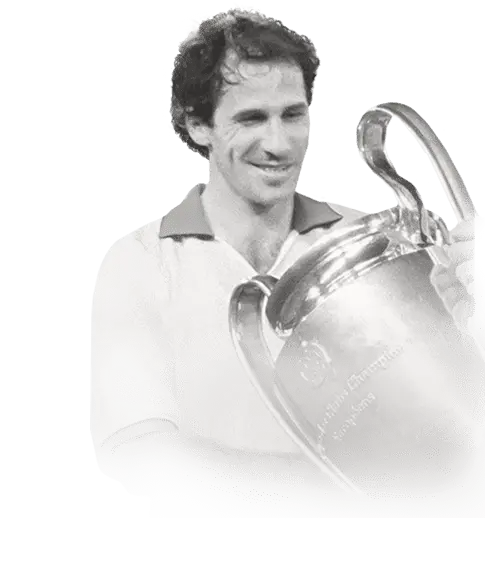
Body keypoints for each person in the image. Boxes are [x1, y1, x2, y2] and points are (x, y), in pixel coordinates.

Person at [90, 9, 481, 518]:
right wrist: (358, 491)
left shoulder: (370, 246)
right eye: (251, 118)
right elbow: (138, 460)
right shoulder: (140, 264)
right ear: (198, 125)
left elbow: (458, 420)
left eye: (293, 115)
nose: (278, 144)